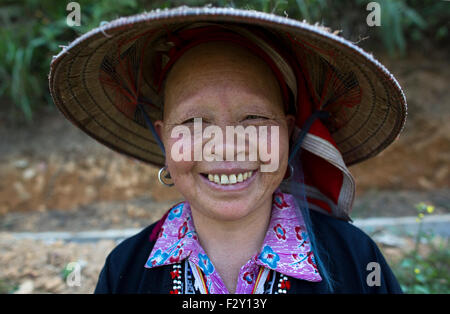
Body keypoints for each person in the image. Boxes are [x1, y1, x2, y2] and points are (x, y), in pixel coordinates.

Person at [49, 6, 406, 294]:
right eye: (193, 122)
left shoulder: (356, 261)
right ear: (164, 139)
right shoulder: (125, 270)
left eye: (253, 117)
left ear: (286, 133)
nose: (225, 146)